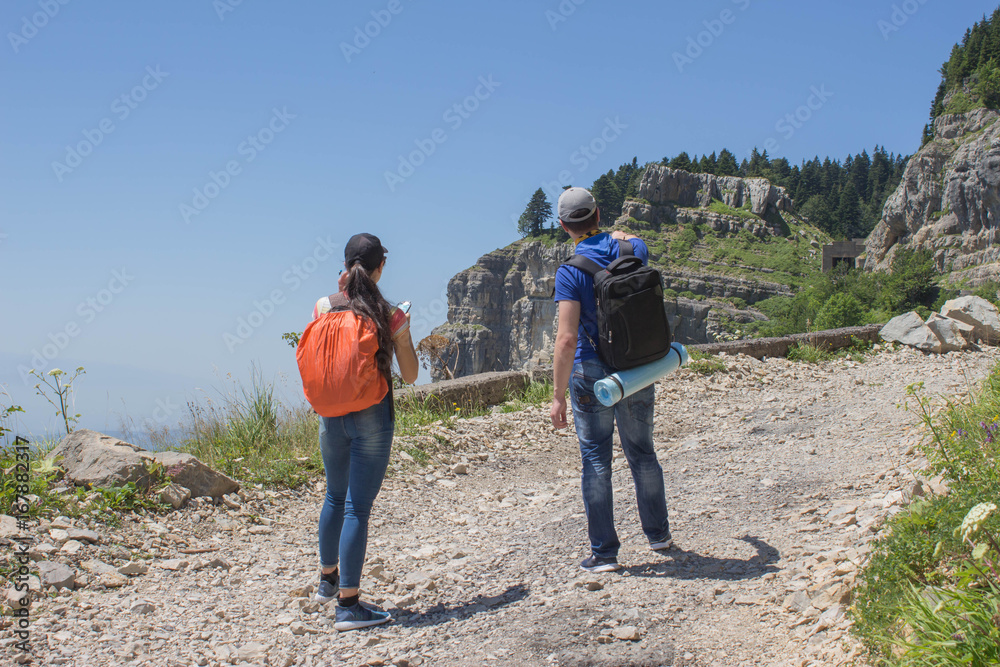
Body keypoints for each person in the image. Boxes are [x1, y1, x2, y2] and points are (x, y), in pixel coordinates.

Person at [550, 188, 672, 573]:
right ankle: (659, 535)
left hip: (591, 374)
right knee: (643, 453)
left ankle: (604, 553)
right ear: (599, 214)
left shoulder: (570, 271)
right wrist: (619, 235)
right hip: (636, 367)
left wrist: (557, 395)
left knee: (596, 461)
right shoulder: (633, 249)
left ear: (563, 226)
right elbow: (632, 240)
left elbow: (567, 339)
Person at [310, 232, 418, 631]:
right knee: (358, 507)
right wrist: (403, 332)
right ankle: (349, 605)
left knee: (334, 496)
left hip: (330, 415)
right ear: (380, 267)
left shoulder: (324, 306)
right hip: (371, 416)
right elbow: (409, 375)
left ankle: (327, 583)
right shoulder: (389, 314)